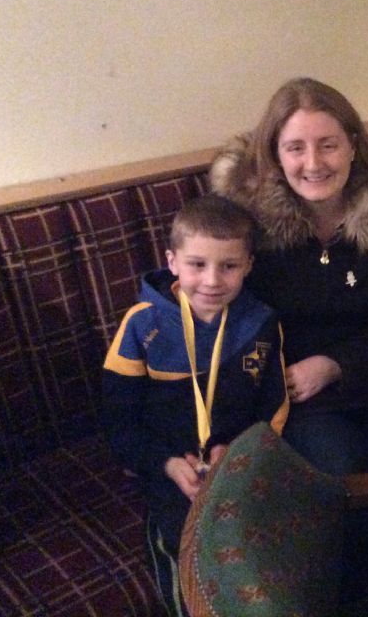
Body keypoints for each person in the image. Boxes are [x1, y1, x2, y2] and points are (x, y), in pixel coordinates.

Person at [209, 76, 368, 598]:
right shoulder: (248, 229)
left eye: (328, 144)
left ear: (353, 146)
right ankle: (351, 594)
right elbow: (227, 321)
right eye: (296, 147)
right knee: (340, 474)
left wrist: (336, 364)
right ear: (275, 155)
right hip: (298, 391)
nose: (313, 163)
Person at [102, 194, 288, 615]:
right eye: (197, 264)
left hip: (236, 459)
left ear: (249, 265)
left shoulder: (261, 321)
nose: (212, 280)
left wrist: (238, 452)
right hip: (166, 465)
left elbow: (273, 405)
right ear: (172, 262)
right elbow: (118, 421)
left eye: (229, 266)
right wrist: (166, 463)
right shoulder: (141, 325)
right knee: (182, 541)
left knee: (263, 535)